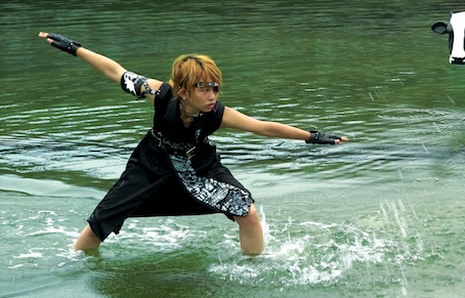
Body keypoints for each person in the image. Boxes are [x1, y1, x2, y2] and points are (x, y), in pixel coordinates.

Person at [38, 31, 347, 255]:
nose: (212, 95)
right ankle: (74, 263)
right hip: (151, 163)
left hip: (199, 166)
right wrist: (73, 48)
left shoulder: (217, 114)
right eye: (204, 89)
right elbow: (116, 71)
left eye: (215, 87)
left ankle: (254, 268)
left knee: (247, 211)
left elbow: (262, 127)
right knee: (101, 221)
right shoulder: (159, 94)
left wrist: (312, 136)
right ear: (183, 90)